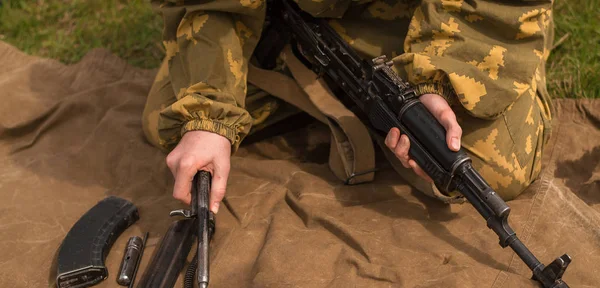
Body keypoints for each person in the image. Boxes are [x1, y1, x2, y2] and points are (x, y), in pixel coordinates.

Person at [143, 0, 554, 214]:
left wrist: (440, 78)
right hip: (293, 18)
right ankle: (315, 72)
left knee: (486, 166)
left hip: (436, 20)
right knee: (172, 122)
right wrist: (209, 115)